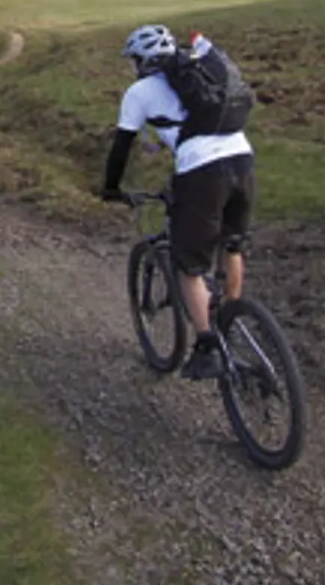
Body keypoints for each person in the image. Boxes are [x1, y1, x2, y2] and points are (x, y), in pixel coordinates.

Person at [101, 23, 255, 380]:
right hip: (243, 160)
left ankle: (206, 347)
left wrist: (110, 188)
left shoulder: (139, 92)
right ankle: (229, 320)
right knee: (232, 245)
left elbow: (121, 148)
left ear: (141, 61)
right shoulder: (203, 77)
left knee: (189, 267)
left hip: (202, 171)